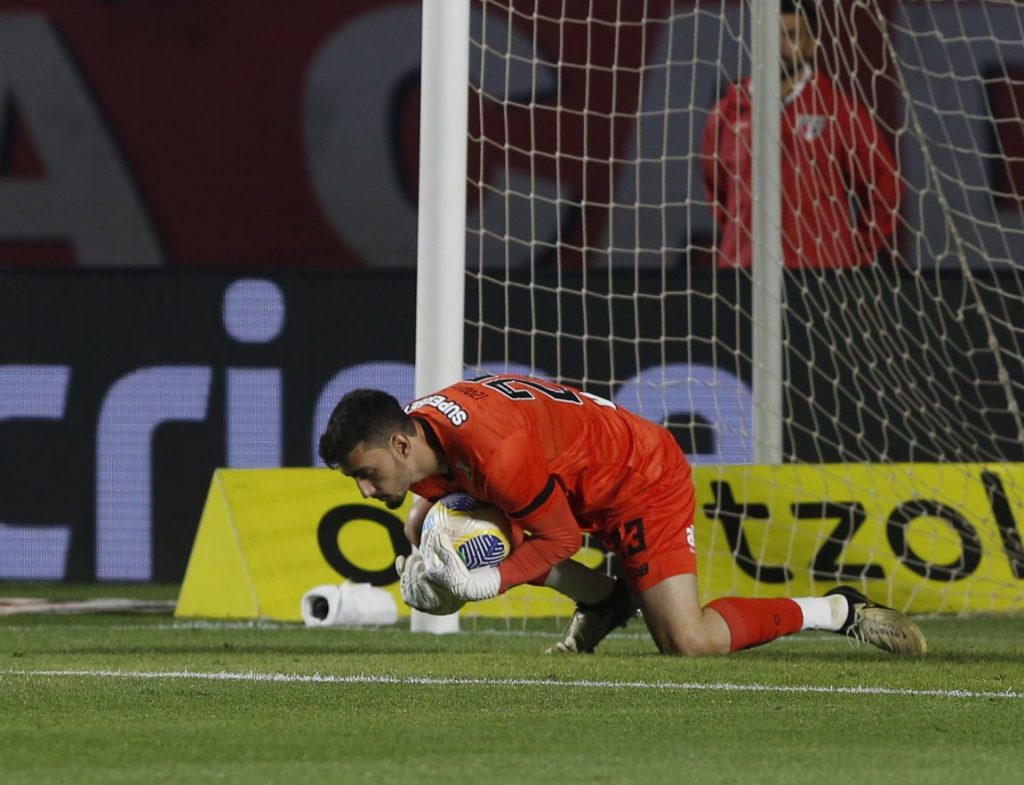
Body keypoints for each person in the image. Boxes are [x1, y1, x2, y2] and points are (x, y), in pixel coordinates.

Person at [318, 373, 926, 656]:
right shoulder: (417, 429)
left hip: (639, 480)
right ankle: (606, 601)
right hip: (571, 477)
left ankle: (836, 609)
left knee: (688, 643)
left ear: (399, 445)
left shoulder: (494, 453)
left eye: (365, 473)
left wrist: (477, 583)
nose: (366, 491)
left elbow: (556, 539)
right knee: (425, 527)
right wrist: (427, 546)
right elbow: (435, 503)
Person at [701, 0, 902, 269]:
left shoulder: (837, 110)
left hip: (817, 278)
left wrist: (849, 254)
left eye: (792, 35)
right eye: (772, 34)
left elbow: (886, 187)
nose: (779, 46)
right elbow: (716, 192)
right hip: (741, 273)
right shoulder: (727, 111)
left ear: (810, 43)